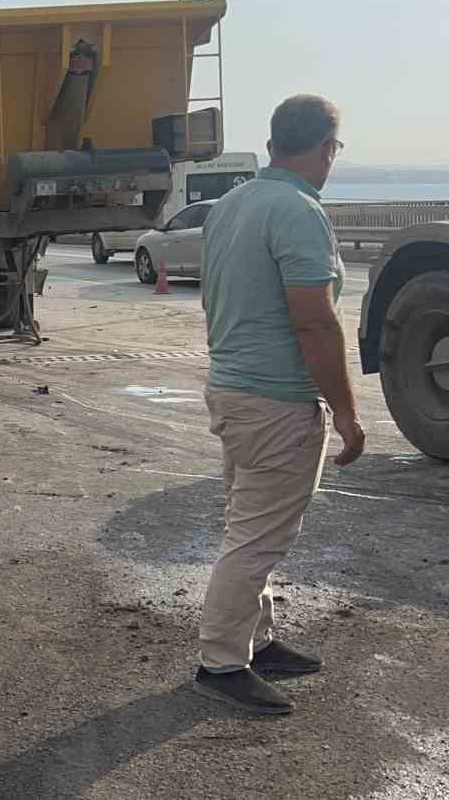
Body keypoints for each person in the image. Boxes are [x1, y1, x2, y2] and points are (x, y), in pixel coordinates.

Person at [193, 94, 365, 715]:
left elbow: (215, 297)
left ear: (272, 144)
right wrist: (345, 413)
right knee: (258, 538)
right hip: (275, 402)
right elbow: (315, 323)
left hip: (233, 388)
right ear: (325, 148)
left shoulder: (232, 203)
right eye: (335, 149)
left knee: (252, 526)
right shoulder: (297, 211)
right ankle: (221, 662)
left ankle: (255, 641)